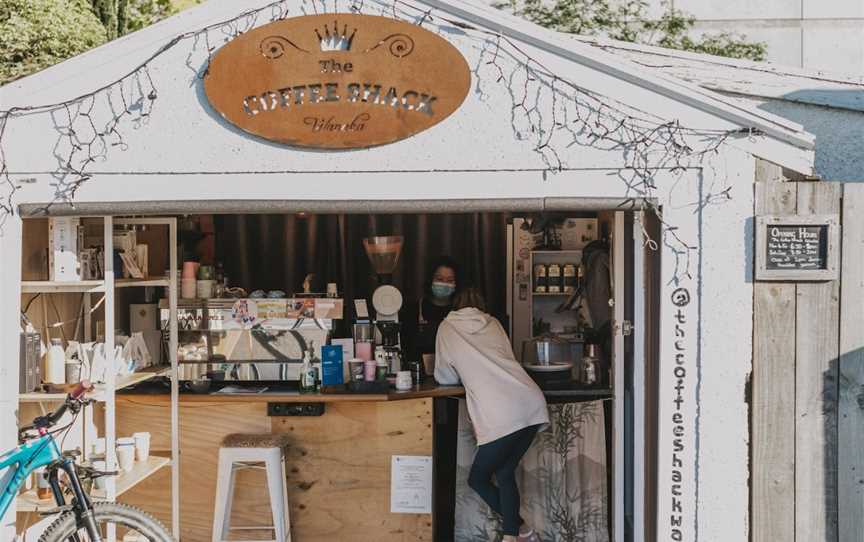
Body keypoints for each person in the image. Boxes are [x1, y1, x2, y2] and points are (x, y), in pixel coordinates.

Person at [435, 288, 548, 542]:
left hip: (501, 412)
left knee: (478, 479)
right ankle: (522, 533)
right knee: (506, 471)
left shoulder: (446, 328)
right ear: (481, 304)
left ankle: (516, 533)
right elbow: (506, 357)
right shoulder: (494, 322)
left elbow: (445, 376)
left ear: (454, 305)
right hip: (530, 401)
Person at [403, 256, 462, 364]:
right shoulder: (414, 310)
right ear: (430, 280)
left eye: (450, 280)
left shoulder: (461, 312)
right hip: (418, 373)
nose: (444, 283)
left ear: (456, 284)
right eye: (439, 279)